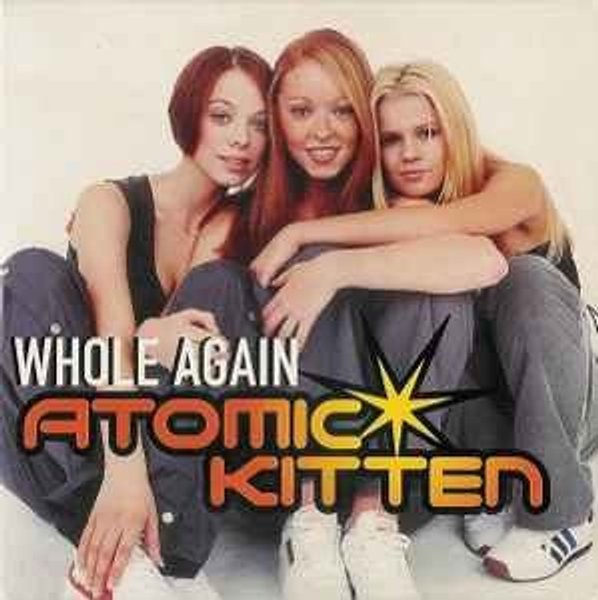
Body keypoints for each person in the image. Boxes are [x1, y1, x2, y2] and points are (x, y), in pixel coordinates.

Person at [252, 58, 598, 586]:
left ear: (454, 130)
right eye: (391, 140)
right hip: (477, 421)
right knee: (428, 300)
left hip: (569, 406)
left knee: (524, 277)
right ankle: (487, 481)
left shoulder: (514, 184)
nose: (409, 153)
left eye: (427, 133)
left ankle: (563, 513)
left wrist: (303, 237)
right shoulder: (395, 208)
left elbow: (455, 227)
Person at [1, 45, 272, 600]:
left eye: (260, 125)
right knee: (29, 275)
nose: (241, 139)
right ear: (188, 114)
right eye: (222, 116)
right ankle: (126, 557)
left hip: (171, 459)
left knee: (225, 287)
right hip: (78, 430)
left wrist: (150, 340)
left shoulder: (237, 228)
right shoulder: (109, 202)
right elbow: (110, 335)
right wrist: (123, 473)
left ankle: (121, 562)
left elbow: (187, 370)